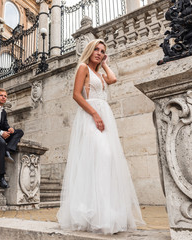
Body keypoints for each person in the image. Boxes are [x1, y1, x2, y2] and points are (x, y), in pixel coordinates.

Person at [57, 39, 144, 234]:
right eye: (96, 49)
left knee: (107, 160)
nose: (98, 52)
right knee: (101, 156)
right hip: (90, 116)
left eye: (102, 51)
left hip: (105, 117)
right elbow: (76, 95)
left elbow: (113, 79)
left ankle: (104, 212)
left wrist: (104, 63)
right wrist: (95, 114)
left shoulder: (99, 73)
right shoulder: (83, 67)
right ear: (89, 50)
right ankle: (91, 212)